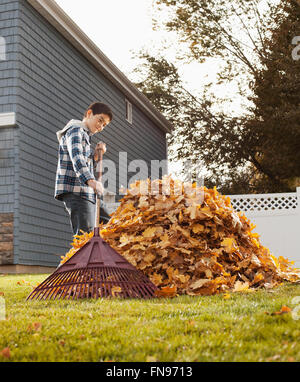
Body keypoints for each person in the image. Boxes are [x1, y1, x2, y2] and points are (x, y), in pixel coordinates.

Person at [54, 101, 113, 236]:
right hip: (77, 192)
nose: (101, 126)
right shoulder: (75, 130)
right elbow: (77, 157)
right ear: (89, 113)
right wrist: (91, 181)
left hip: (87, 193)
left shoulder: (85, 135)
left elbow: (85, 161)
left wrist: (96, 156)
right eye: (100, 120)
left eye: (104, 125)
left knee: (110, 223)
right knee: (85, 238)